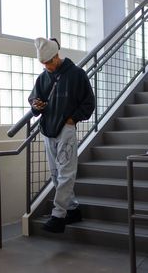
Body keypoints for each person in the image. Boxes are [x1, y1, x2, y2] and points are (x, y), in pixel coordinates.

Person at [28, 37, 95, 233]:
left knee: (66, 172)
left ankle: (59, 215)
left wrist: (73, 119)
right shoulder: (43, 77)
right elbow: (34, 97)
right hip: (48, 129)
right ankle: (72, 209)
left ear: (56, 56)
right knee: (56, 173)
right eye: (43, 63)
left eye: (48, 62)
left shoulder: (77, 75)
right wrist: (36, 105)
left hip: (66, 128)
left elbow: (88, 102)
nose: (46, 66)